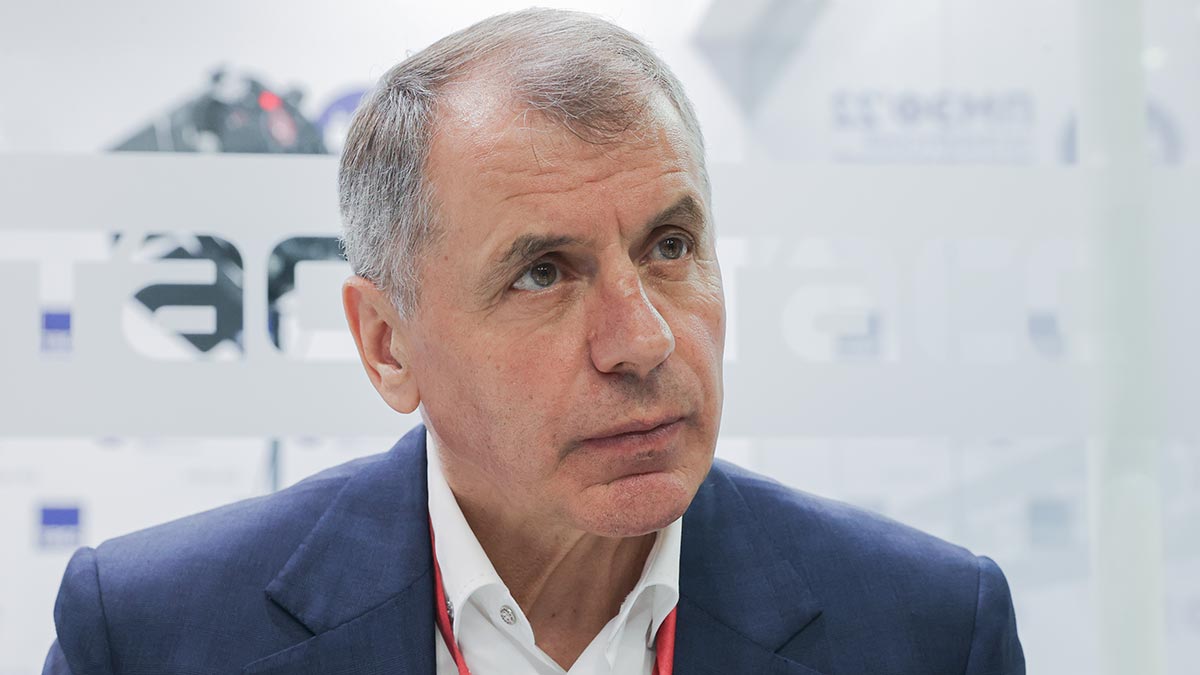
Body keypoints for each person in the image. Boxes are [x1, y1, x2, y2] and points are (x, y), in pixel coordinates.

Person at [44, 8, 1024, 675]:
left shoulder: (929, 629)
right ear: (387, 345)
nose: (642, 341)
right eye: (543, 273)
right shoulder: (152, 635)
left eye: (670, 246)